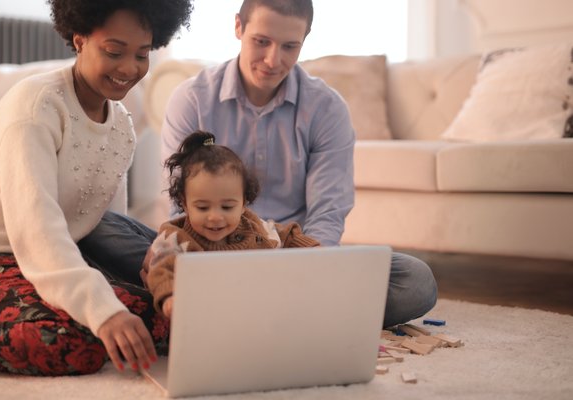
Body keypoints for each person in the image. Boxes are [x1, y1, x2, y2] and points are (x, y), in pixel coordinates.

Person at [0, 0, 193, 376]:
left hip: (48, 265)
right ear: (79, 39)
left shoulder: (121, 126)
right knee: (76, 342)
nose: (129, 68)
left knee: (174, 319)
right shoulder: (36, 105)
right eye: (114, 51)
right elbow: (36, 227)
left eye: (142, 54)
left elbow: (102, 226)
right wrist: (103, 313)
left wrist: (140, 285)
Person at [158, 0, 438, 328]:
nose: (273, 60)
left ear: (305, 39)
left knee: (415, 282)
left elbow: (327, 212)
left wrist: (306, 268)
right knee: (120, 236)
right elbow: (177, 203)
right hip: (208, 252)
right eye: (261, 42)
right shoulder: (191, 99)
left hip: (293, 254)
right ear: (238, 27)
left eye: (290, 46)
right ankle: (294, 315)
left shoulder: (327, 108)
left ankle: (241, 313)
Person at [141, 131, 320, 318]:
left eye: (227, 207)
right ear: (185, 203)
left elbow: (286, 235)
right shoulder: (174, 237)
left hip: (255, 309)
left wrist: (313, 250)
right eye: (202, 208)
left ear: (243, 204)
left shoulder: (253, 226)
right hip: (203, 314)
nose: (215, 217)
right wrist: (170, 296)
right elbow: (161, 269)